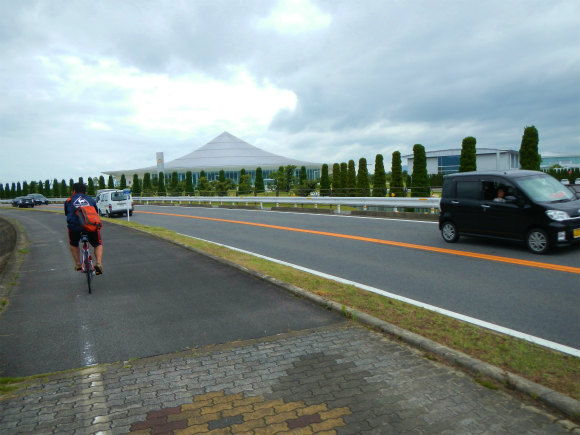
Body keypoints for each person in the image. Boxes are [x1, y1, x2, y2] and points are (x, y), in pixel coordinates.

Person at [65, 182, 103, 274]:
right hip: (90, 226)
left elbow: (67, 213)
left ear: (74, 191)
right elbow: (95, 212)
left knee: (73, 244)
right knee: (97, 243)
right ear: (84, 191)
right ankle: (98, 263)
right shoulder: (90, 199)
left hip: (75, 228)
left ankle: (78, 264)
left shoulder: (69, 201)